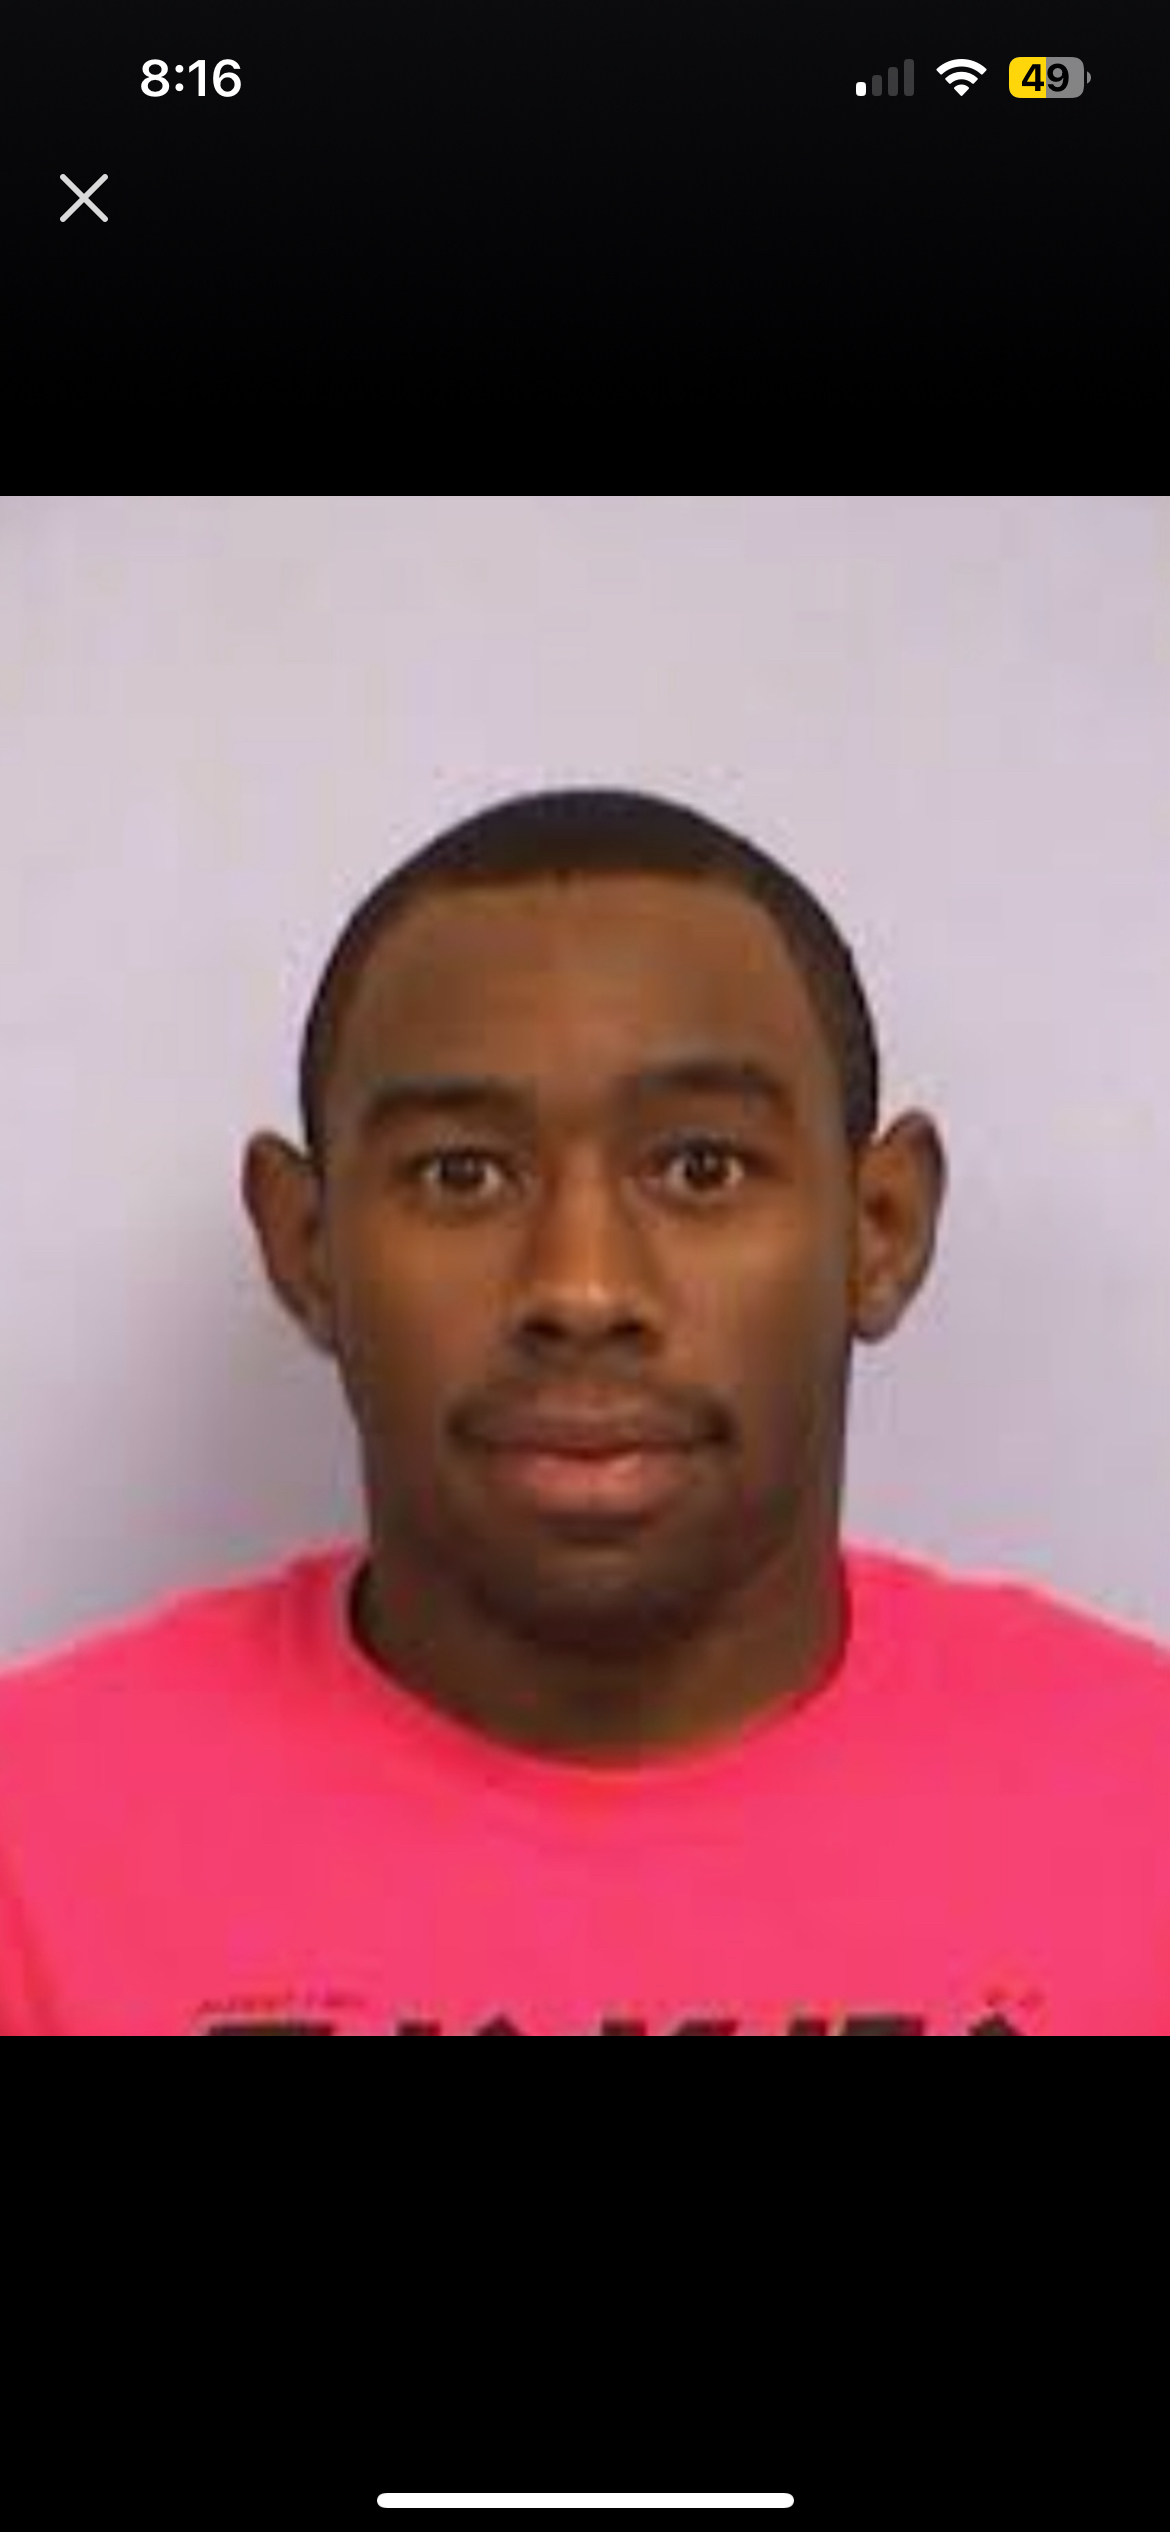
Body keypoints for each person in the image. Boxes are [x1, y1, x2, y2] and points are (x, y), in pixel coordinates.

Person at [2, 786, 1168, 2036]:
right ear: (306, 1246)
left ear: (880, 1229)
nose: (583, 1288)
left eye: (701, 1168)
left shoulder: (1138, 1807)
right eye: (462, 1175)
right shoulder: (34, 1842)